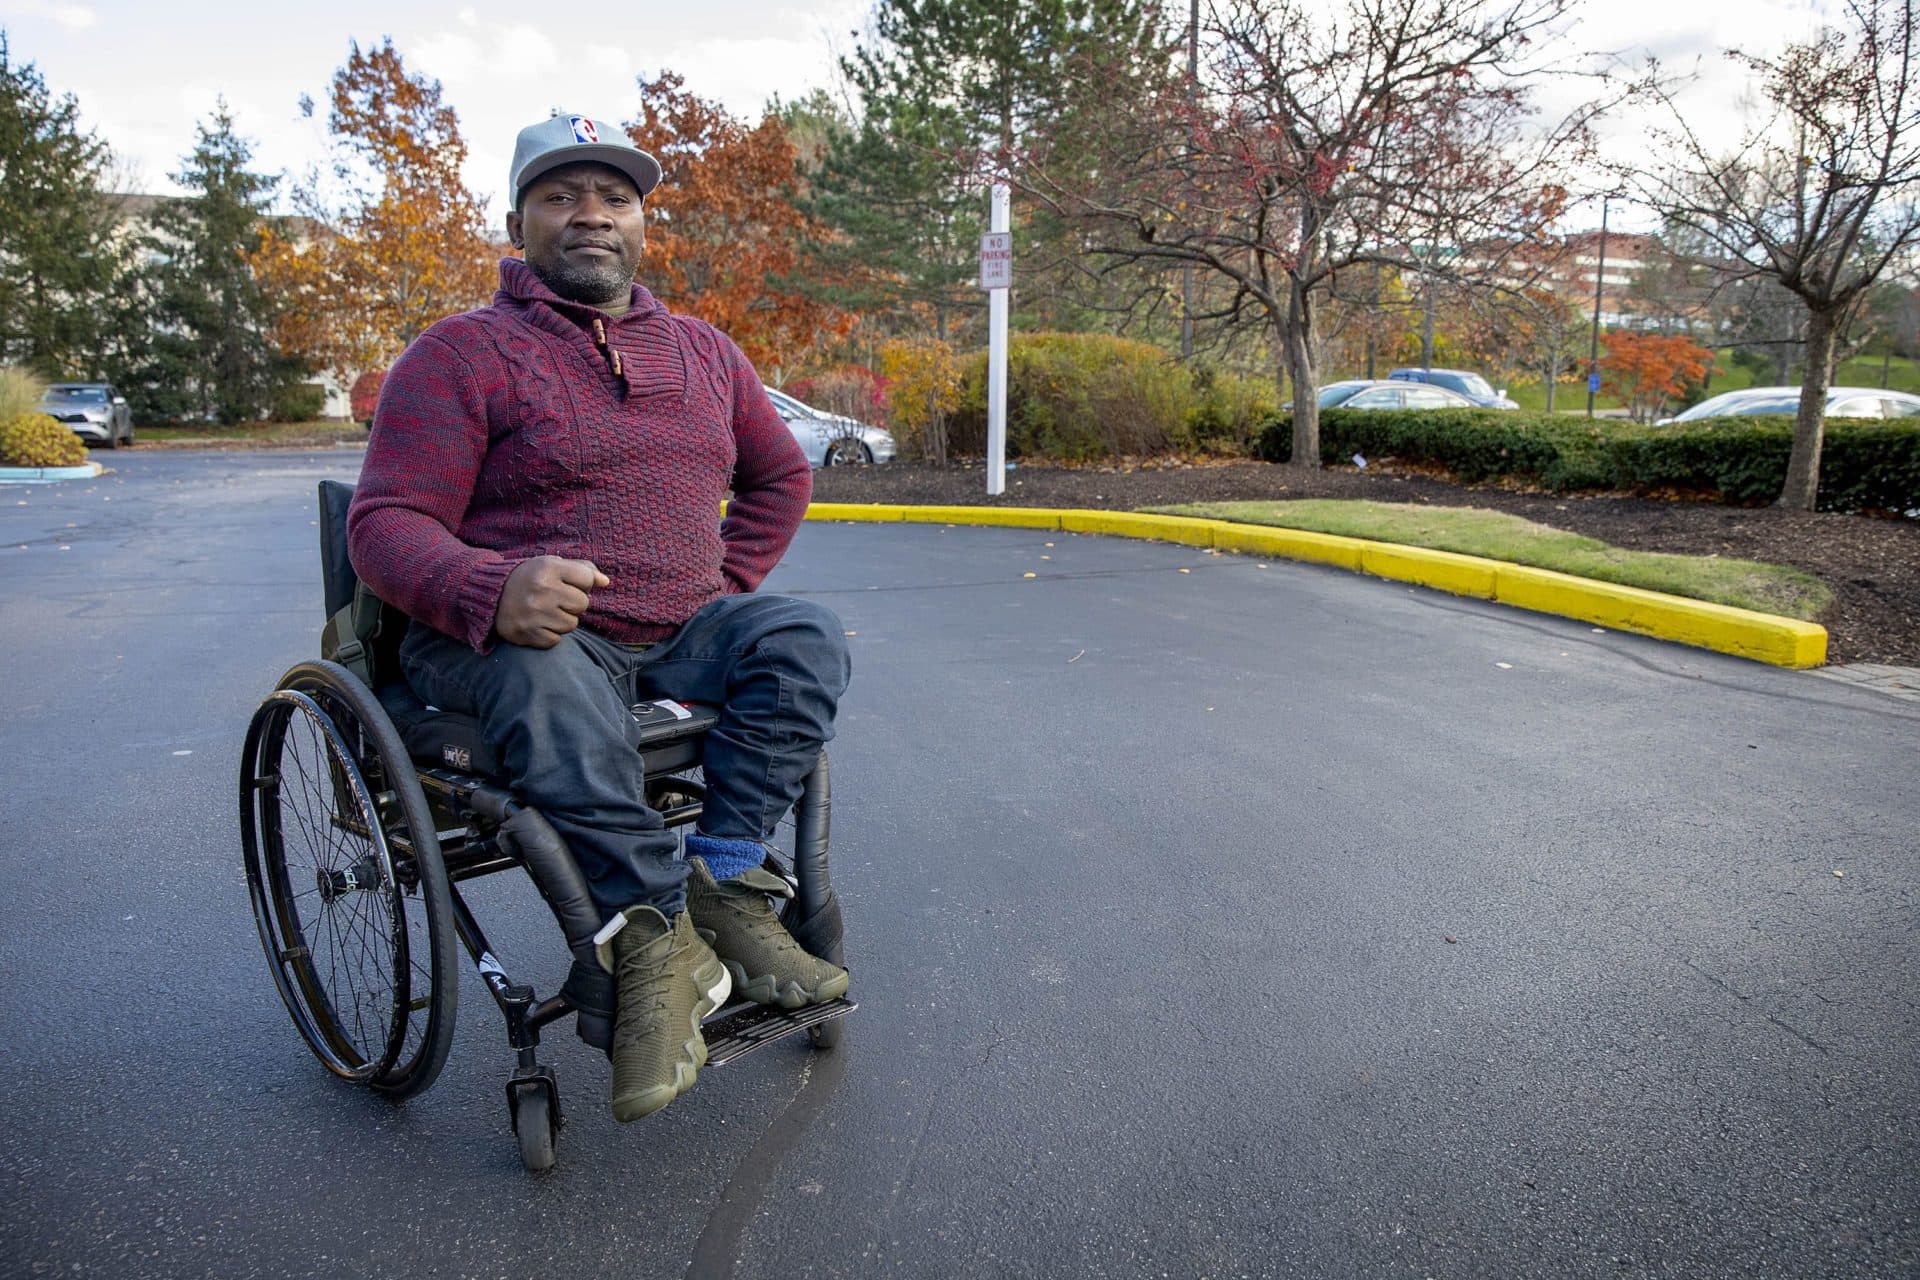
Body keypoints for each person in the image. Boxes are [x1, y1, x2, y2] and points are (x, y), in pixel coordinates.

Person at [347, 112, 851, 1123]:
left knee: (803, 638)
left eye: (615, 198)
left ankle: (725, 875)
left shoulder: (705, 353)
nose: (591, 215)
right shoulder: (460, 354)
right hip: (516, 638)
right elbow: (385, 524)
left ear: (642, 226)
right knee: (548, 674)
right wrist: (493, 587)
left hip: (675, 630)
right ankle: (655, 932)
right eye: (561, 195)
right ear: (517, 220)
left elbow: (779, 473)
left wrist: (728, 572)